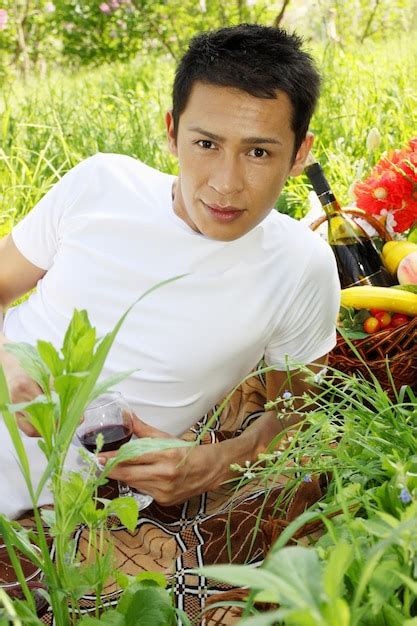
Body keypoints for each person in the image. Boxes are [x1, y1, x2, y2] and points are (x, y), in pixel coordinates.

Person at [0, 23, 339, 518]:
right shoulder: (100, 185)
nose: (226, 184)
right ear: (172, 131)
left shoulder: (300, 265)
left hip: (75, 514)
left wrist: (219, 462)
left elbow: (295, 412)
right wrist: (6, 363)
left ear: (299, 155)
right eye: (206, 144)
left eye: (258, 152)